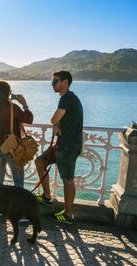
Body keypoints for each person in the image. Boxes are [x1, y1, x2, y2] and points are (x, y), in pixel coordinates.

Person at [35, 71, 83, 224]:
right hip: (62, 145)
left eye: (55, 82)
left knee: (67, 179)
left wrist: (55, 122)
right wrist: (58, 124)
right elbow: (61, 119)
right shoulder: (69, 98)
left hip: (68, 147)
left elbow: (54, 118)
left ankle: (68, 215)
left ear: (65, 82)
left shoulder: (67, 98)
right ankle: (47, 197)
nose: (53, 85)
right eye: (52, 82)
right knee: (40, 162)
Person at [0, 80, 33, 188]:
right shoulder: (13, 108)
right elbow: (29, 119)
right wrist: (24, 104)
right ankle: (17, 203)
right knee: (18, 179)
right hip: (12, 148)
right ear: (8, 93)